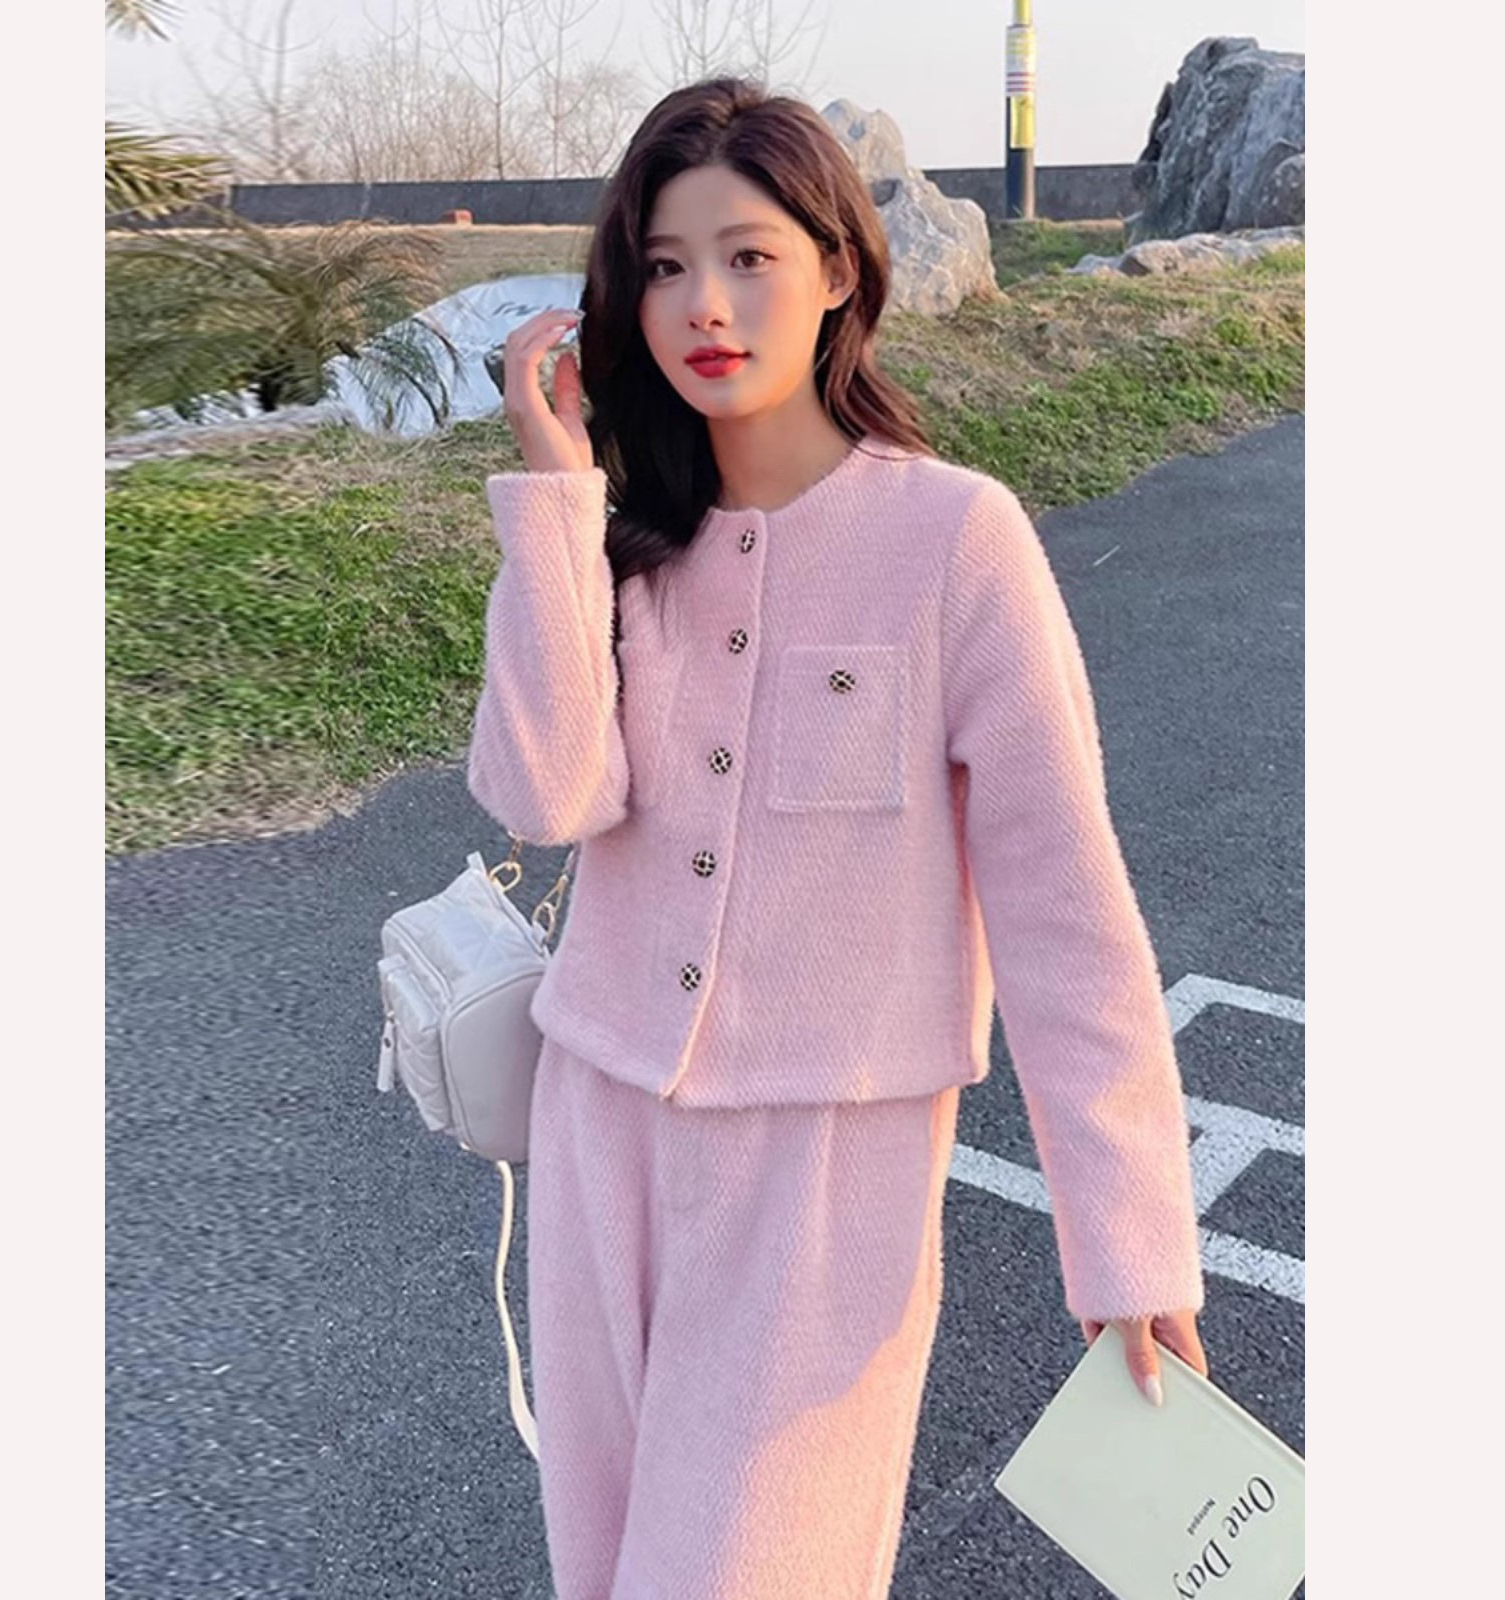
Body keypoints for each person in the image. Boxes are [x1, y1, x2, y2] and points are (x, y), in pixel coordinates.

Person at [466, 75, 1210, 1600]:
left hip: (824, 1173)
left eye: (749, 255)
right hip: (600, 1122)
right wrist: (556, 504)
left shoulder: (956, 539)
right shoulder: (619, 545)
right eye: (664, 265)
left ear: (839, 271)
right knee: (601, 1567)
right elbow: (547, 796)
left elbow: (1064, 908)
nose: (704, 303)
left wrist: (1128, 1242)